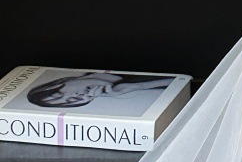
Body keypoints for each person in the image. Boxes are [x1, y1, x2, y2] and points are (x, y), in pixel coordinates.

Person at [27, 72, 174, 108]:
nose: (79, 95)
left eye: (59, 93)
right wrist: (138, 87)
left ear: (60, 82)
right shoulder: (127, 91)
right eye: (73, 100)